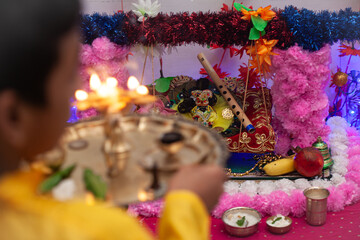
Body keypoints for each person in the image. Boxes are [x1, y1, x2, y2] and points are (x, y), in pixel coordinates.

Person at [0, 0, 226, 239]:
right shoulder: (97, 229)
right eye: (69, 76)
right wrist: (188, 204)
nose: (77, 86)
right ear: (13, 117)